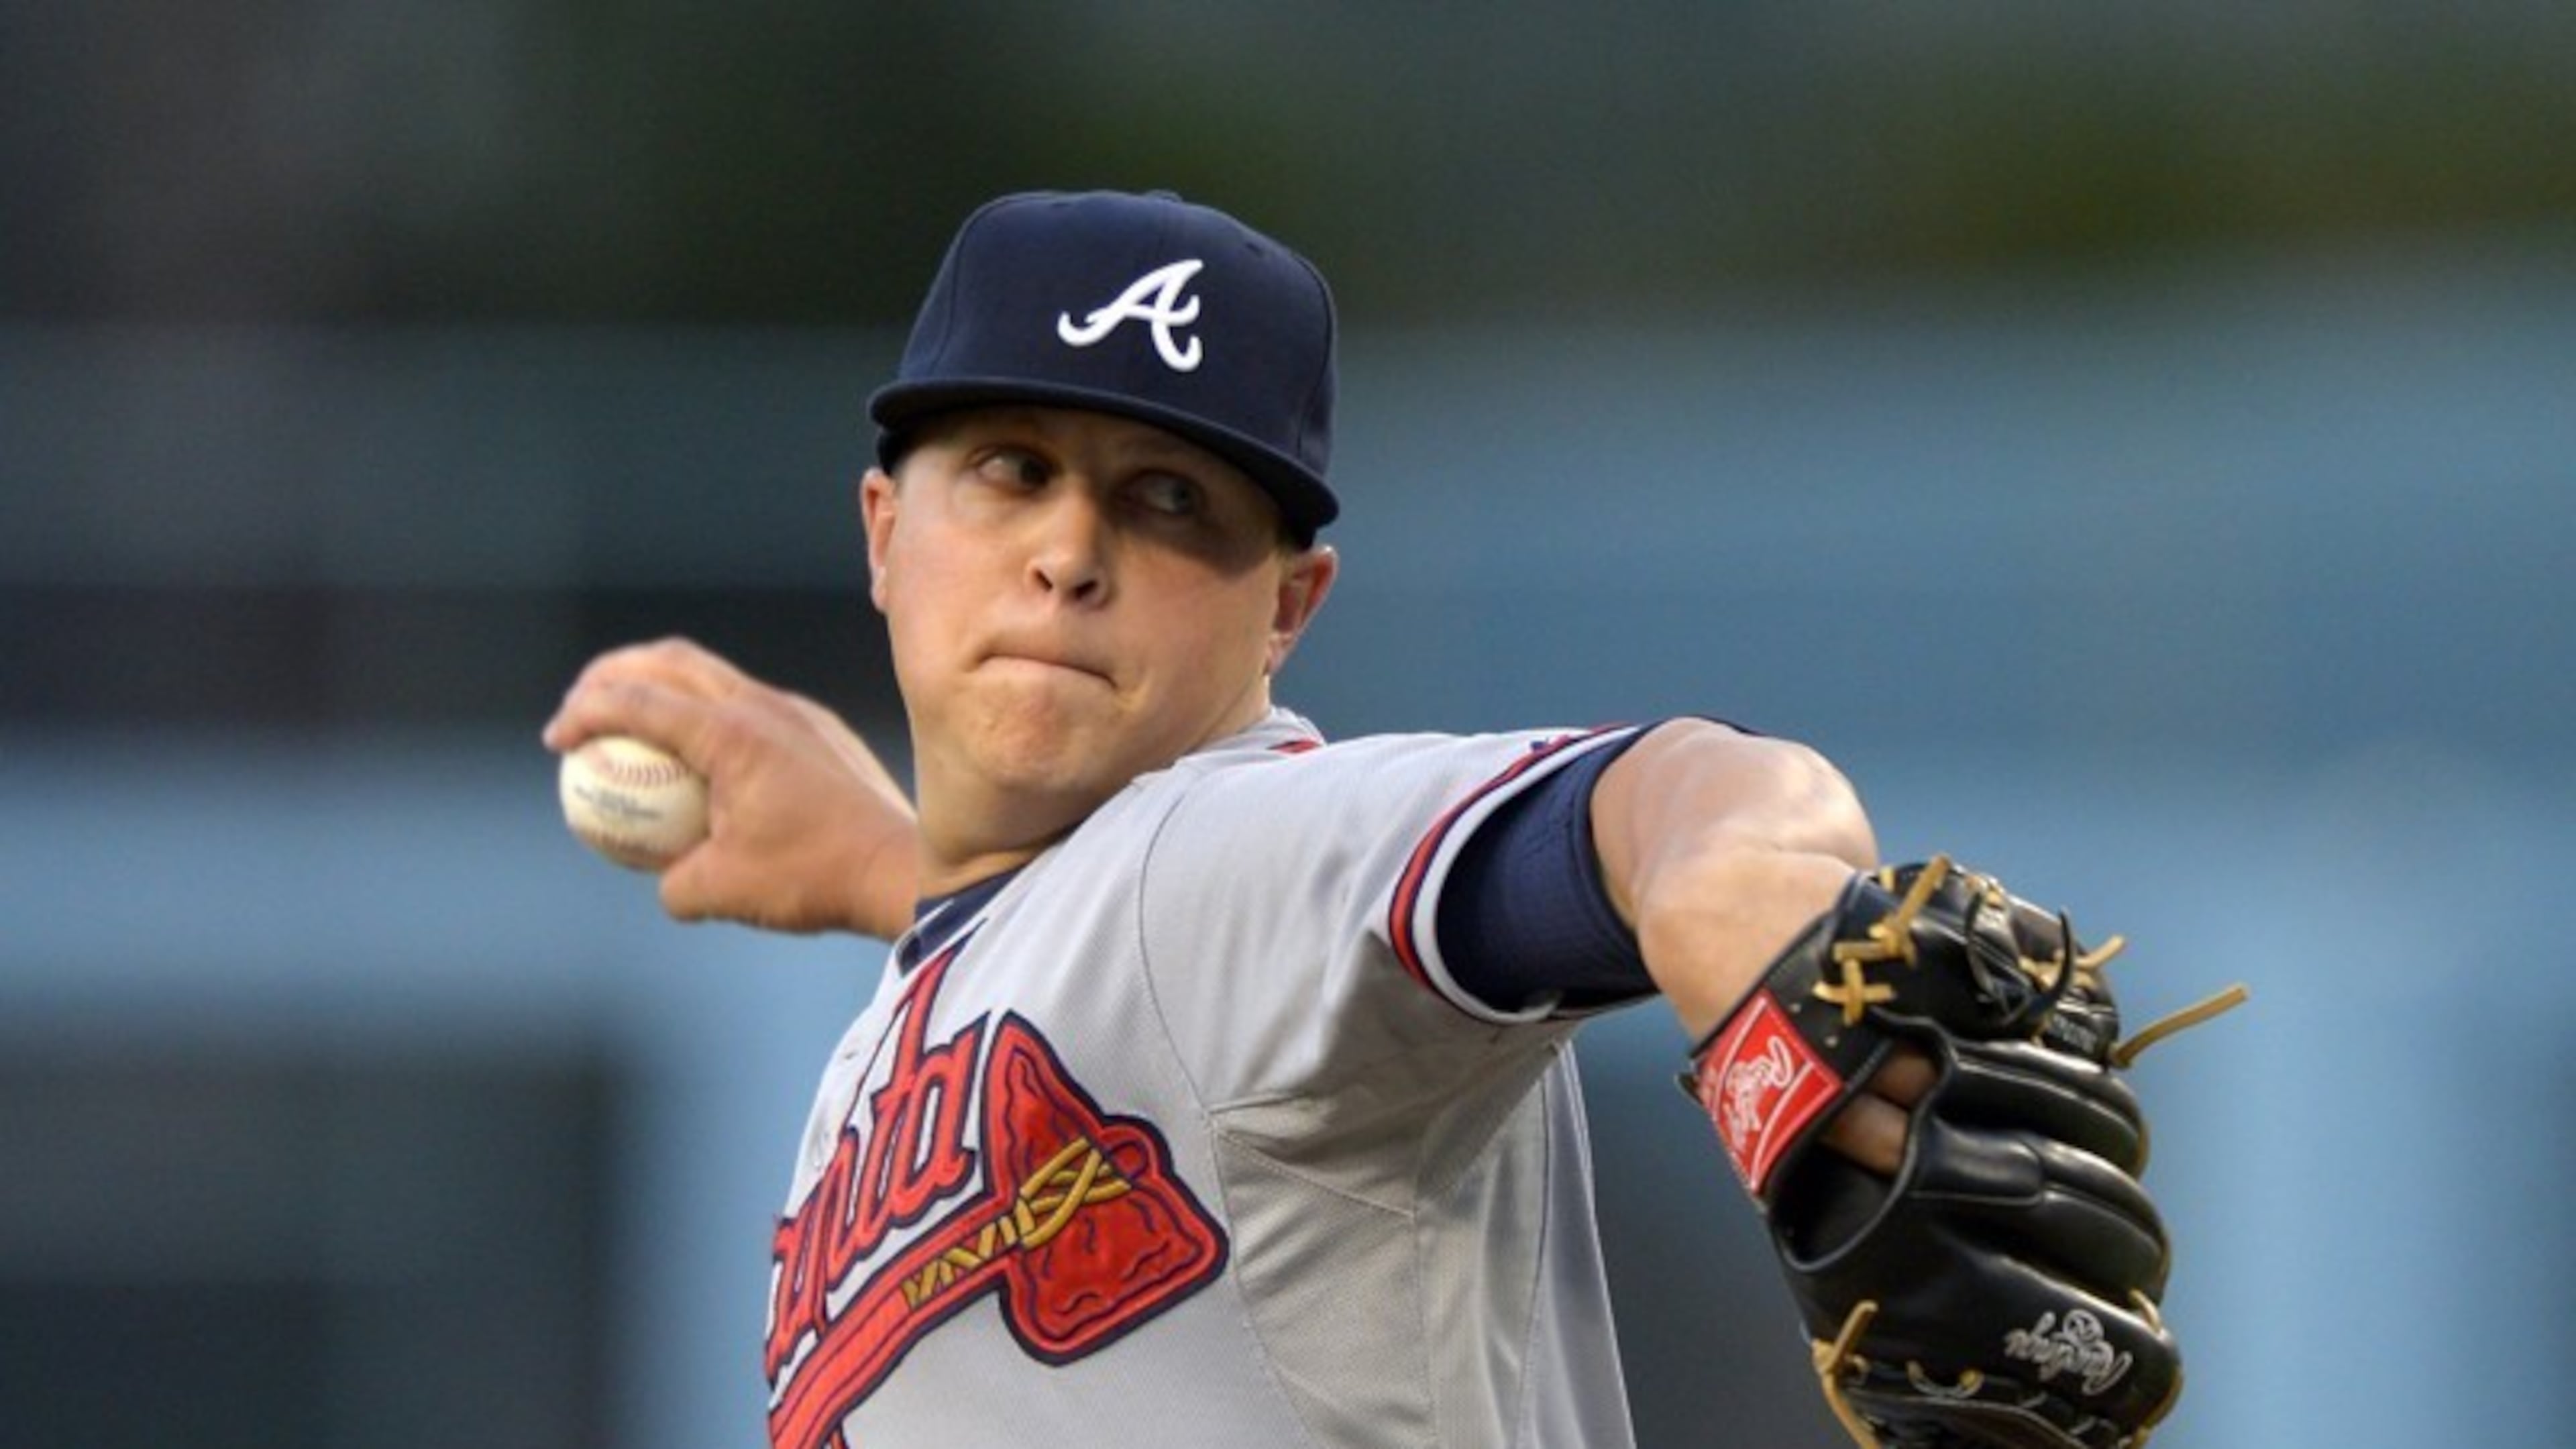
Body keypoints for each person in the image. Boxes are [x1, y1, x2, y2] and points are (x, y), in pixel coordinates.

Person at [542, 191, 2147, 1449]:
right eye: (1014, 469)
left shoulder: (1239, 852)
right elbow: (1084, 991)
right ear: (886, 531)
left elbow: (1656, 799)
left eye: (1171, 501)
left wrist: (1745, 894)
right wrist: (878, 864)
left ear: (1289, 610)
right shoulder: (1007, 963)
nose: (1068, 552)